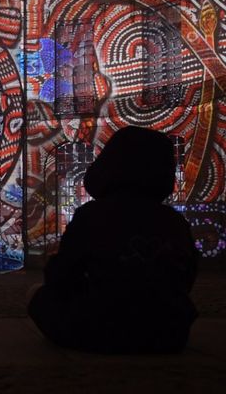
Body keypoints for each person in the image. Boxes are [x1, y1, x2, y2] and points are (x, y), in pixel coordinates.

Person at [28, 126, 198, 354]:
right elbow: (186, 278)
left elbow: (61, 276)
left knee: (36, 295)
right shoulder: (175, 222)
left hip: (99, 330)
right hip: (169, 335)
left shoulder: (91, 216)